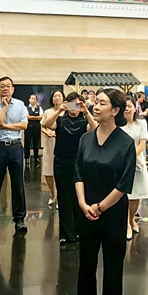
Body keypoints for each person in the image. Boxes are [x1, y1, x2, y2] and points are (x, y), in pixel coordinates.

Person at [70, 89, 136, 295]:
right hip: (86, 210)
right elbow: (77, 173)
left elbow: (124, 183)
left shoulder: (125, 142)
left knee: (112, 271)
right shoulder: (86, 139)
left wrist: (100, 207)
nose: (95, 107)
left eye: (101, 103)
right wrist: (83, 204)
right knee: (85, 269)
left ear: (115, 110)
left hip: (112, 213)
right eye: (95, 102)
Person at [46, 92, 95, 245]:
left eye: (77, 104)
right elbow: (47, 124)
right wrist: (59, 110)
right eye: (71, 104)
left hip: (80, 162)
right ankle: (67, 233)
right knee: (64, 197)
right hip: (61, 162)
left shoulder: (84, 121)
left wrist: (86, 111)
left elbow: (94, 128)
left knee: (79, 197)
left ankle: (79, 231)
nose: (74, 108)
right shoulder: (61, 120)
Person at [0, 77, 29, 234]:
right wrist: (4, 107)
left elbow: (24, 125)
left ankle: (19, 219)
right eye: (2, 86)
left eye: (8, 86)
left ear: (13, 89)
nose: (5, 88)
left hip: (16, 147)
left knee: (18, 184)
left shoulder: (20, 104)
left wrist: (5, 126)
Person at [121, 95, 148, 241]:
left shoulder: (141, 123)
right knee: (123, 194)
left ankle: (131, 219)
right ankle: (126, 224)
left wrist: (131, 158)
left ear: (135, 108)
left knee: (136, 194)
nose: (127, 109)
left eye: (129, 106)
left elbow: (142, 143)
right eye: (124, 106)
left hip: (137, 163)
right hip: (120, 163)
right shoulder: (117, 123)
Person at [40, 90, 65, 208]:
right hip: (50, 142)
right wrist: (48, 133)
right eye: (55, 96)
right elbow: (43, 126)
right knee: (48, 169)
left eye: (59, 96)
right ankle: (52, 193)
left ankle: (61, 196)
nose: (57, 98)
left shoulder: (68, 110)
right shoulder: (47, 112)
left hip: (63, 142)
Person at [25, 94, 44, 165]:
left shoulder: (39, 108)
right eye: (32, 98)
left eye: (35, 99)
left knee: (36, 143)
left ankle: (36, 157)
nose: (33, 100)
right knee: (27, 143)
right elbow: (27, 117)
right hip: (28, 128)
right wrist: (36, 117)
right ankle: (26, 158)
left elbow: (41, 117)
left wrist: (32, 117)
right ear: (29, 100)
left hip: (37, 128)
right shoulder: (25, 108)